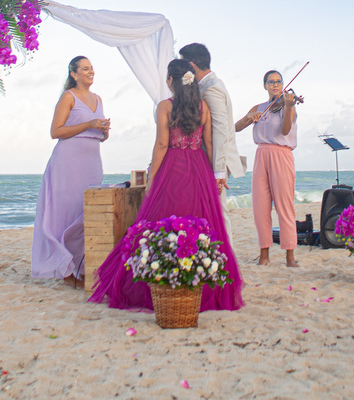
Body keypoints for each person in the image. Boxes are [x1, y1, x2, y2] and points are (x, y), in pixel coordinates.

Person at [89, 59, 244, 312]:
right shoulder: (203, 106)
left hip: (173, 167)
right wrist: (216, 173)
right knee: (202, 221)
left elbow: (162, 144)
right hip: (199, 168)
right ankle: (202, 284)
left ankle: (158, 282)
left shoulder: (165, 106)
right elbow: (210, 142)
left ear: (171, 81)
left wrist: (152, 179)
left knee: (160, 219)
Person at [31, 56, 110, 287]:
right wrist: (89, 124)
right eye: (85, 68)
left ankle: (81, 264)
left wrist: (103, 130)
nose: (90, 71)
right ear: (74, 74)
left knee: (85, 212)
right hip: (68, 162)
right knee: (65, 212)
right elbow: (55, 131)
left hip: (92, 161)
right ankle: (64, 267)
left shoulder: (98, 98)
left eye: (92, 68)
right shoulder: (68, 96)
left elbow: (100, 135)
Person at [179, 43, 244, 240]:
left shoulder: (212, 88)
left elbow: (220, 130)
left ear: (191, 65)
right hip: (208, 161)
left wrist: (218, 171)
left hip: (214, 162)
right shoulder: (210, 84)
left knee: (219, 214)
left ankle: (227, 260)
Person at [236, 70, 300, 267]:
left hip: (281, 154)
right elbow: (237, 127)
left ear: (282, 84)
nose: (275, 85)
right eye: (270, 82)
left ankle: (290, 256)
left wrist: (288, 107)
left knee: (284, 205)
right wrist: (250, 117)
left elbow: (285, 130)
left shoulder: (287, 104)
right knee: (260, 205)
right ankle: (264, 254)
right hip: (261, 154)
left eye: (278, 82)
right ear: (264, 85)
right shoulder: (260, 107)